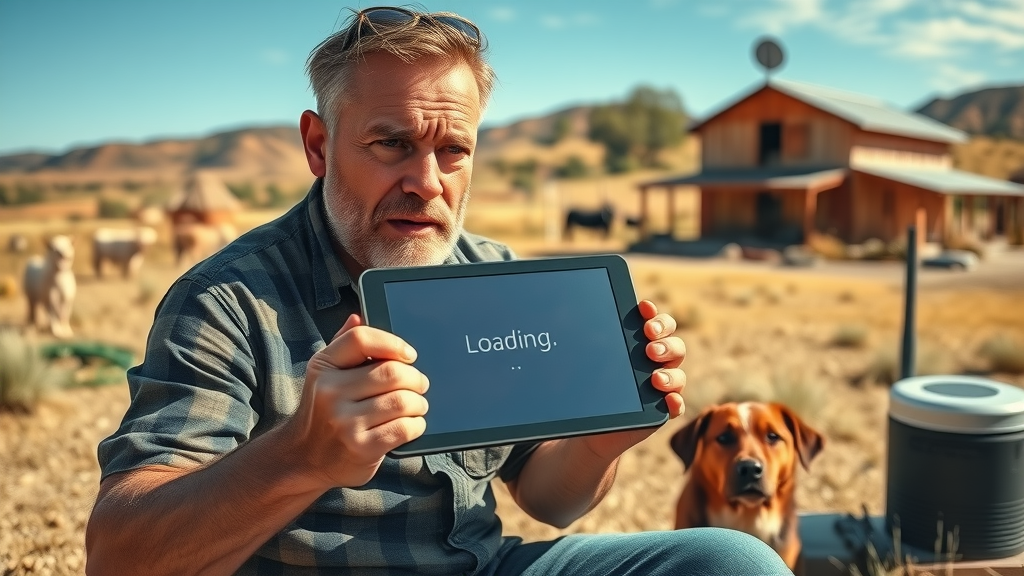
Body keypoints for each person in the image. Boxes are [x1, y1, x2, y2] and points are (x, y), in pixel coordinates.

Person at [85, 7, 794, 575]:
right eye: (392, 144)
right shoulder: (227, 303)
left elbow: (549, 501)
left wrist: (598, 443)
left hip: (488, 564)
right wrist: (302, 453)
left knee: (732, 560)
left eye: (453, 151)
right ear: (318, 146)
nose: (428, 181)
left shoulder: (494, 273)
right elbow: (120, 557)